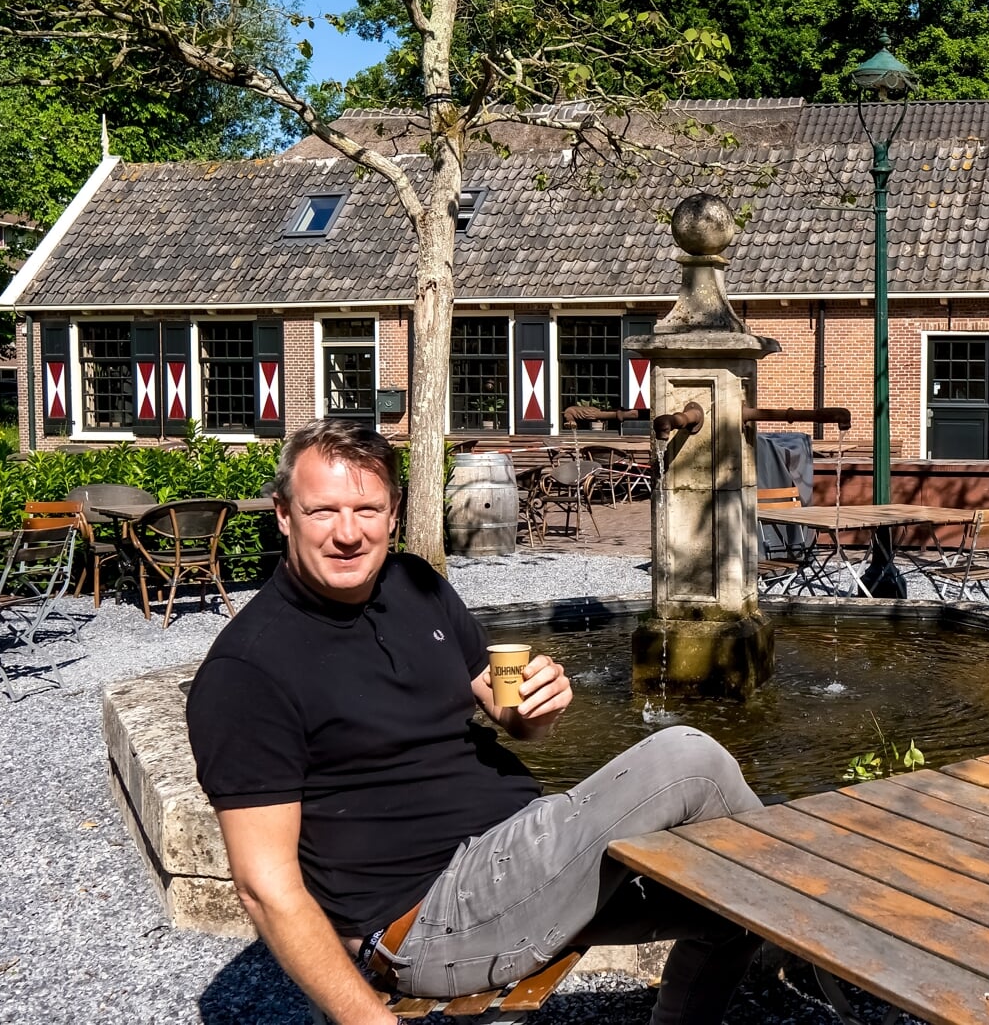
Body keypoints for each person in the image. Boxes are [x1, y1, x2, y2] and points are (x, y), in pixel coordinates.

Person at [186, 419, 763, 1025]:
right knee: (685, 758)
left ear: (394, 511)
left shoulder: (414, 584)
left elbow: (505, 709)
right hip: (431, 915)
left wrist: (537, 706)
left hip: (521, 858)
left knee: (735, 905)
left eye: (367, 508)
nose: (349, 534)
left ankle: (775, 913)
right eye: (323, 511)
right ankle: (813, 903)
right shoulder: (248, 670)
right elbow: (266, 889)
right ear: (283, 514)